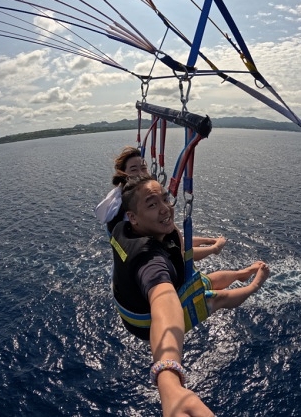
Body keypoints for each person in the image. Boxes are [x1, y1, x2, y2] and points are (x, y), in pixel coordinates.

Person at [110, 174, 270, 416]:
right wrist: (168, 379)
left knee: (207, 280)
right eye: (152, 205)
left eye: (165, 199)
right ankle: (253, 286)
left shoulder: (123, 228)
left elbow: (180, 242)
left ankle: (241, 274)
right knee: (215, 298)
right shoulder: (150, 262)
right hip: (146, 322)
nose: (165, 209)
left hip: (144, 294)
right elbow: (164, 301)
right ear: (133, 217)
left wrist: (211, 245)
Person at [95, 146, 227, 260]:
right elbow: (180, 252)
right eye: (134, 169)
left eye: (143, 168)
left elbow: (176, 238)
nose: (141, 174)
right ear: (123, 174)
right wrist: (214, 249)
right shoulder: (132, 210)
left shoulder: (117, 199)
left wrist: (210, 240)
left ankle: (212, 243)